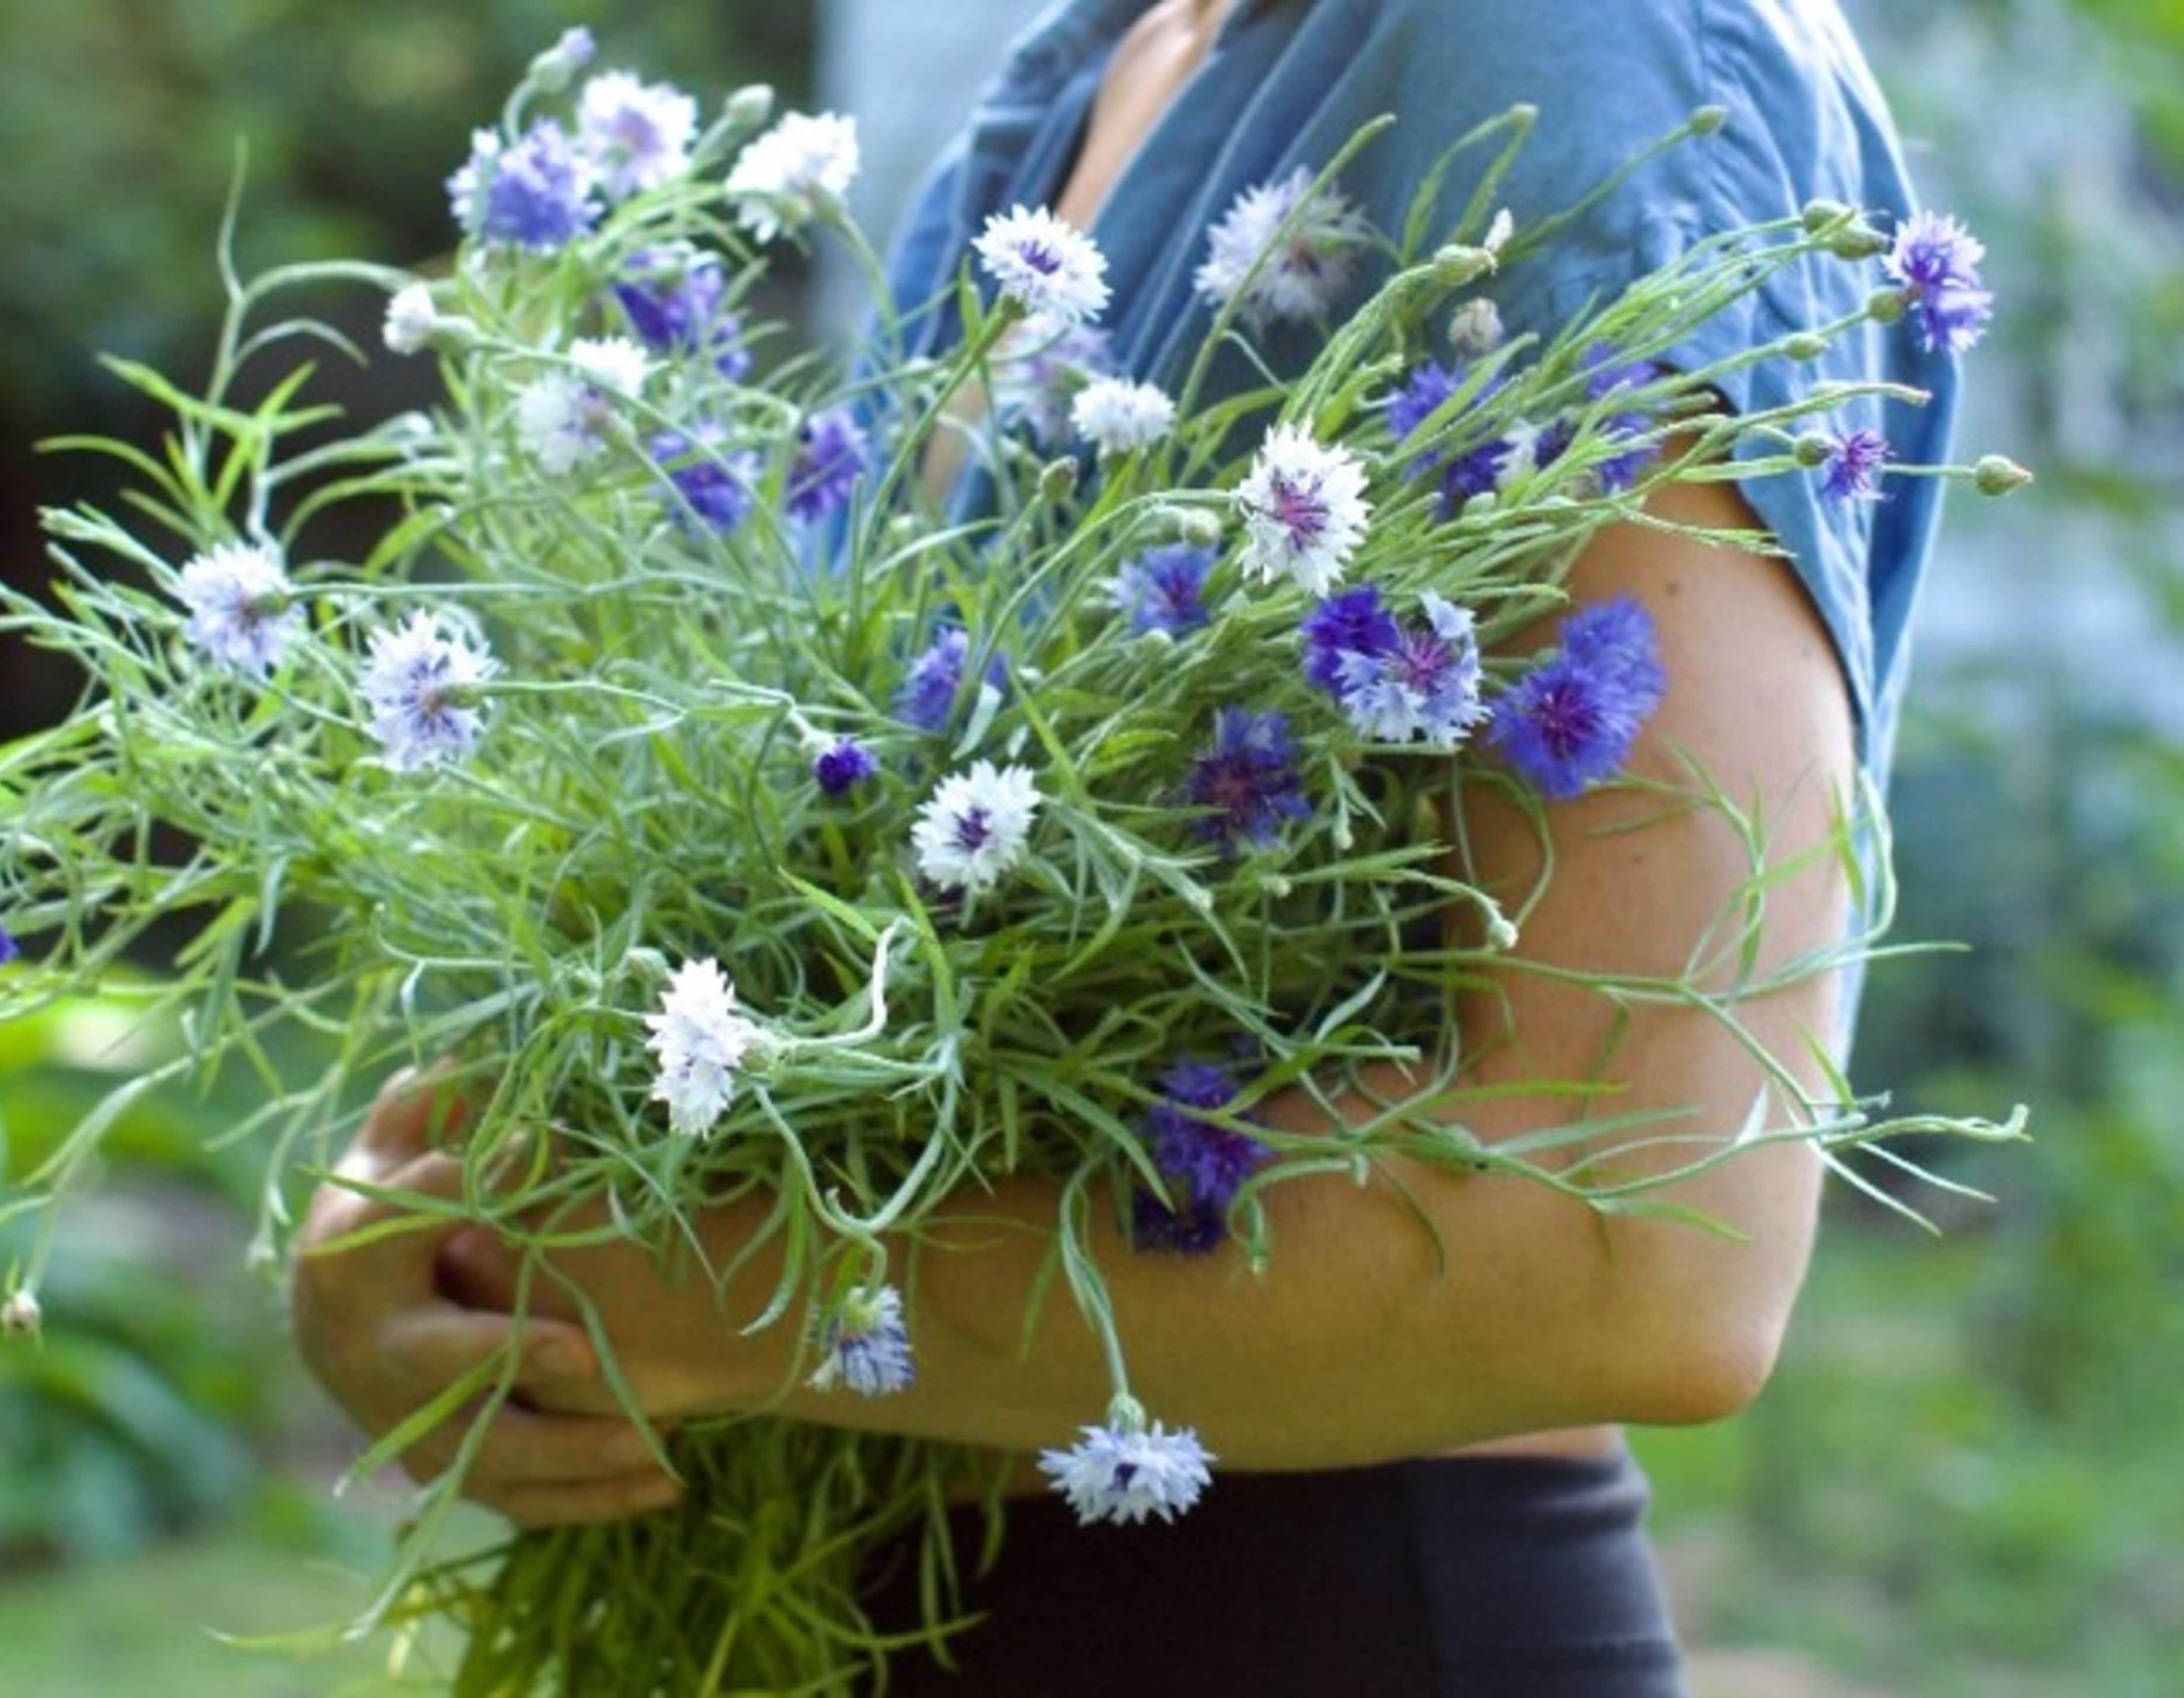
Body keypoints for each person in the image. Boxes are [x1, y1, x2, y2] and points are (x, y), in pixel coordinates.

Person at [292, 1, 1954, 1690]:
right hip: (875, 1587)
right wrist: (454, 1264)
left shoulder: (1579, 42)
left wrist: (744, 1298)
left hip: (1301, 1621)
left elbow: (1649, 1250)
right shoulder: (1103, 63)